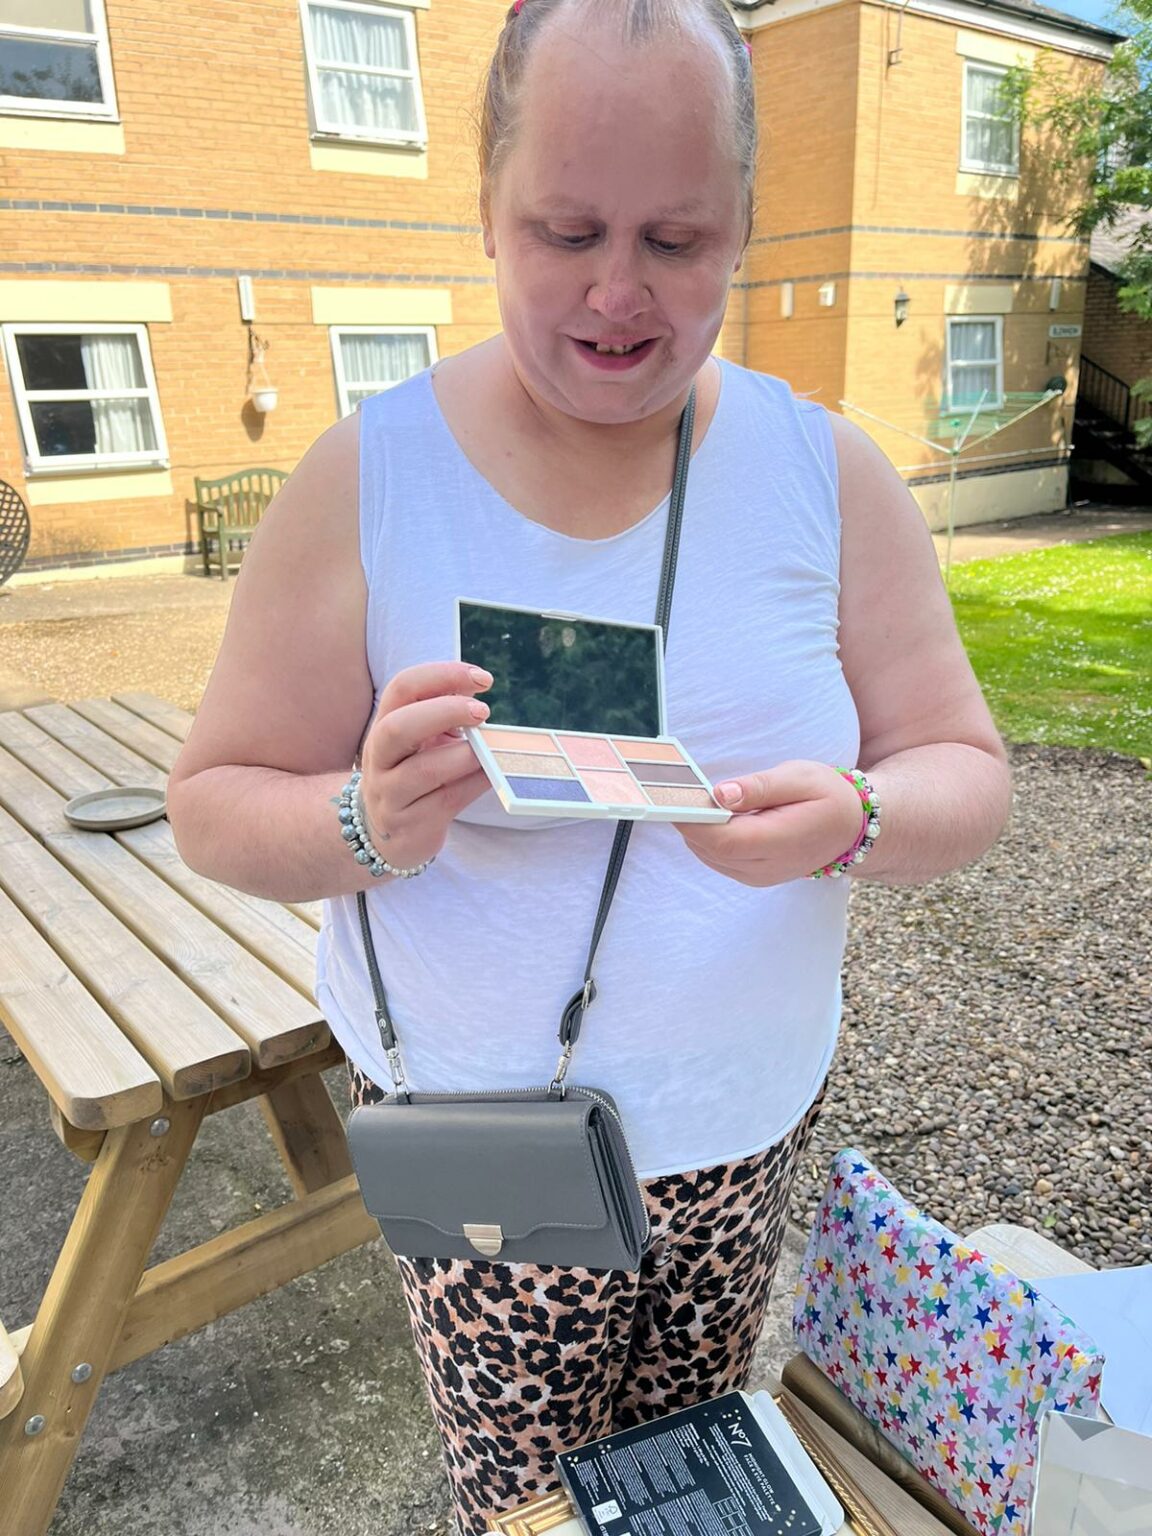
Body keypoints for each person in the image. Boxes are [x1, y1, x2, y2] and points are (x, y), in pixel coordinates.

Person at [167, 0, 1012, 1528]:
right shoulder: (366, 478)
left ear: (743, 221)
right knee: (530, 1514)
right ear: (487, 207)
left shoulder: (829, 474)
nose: (619, 293)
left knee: (684, 1494)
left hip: (739, 1132)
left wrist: (860, 815)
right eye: (566, 232)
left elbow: (965, 768)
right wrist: (367, 819)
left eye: (677, 240)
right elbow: (213, 807)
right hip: (485, 1151)